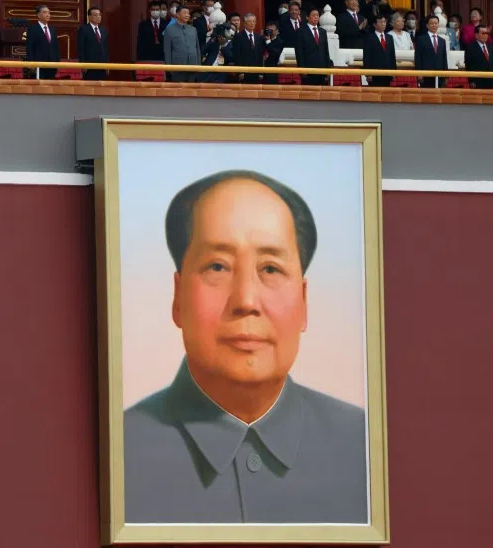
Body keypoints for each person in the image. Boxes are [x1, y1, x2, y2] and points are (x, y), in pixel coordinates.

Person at [124, 170, 368, 524]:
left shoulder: (364, 448)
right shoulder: (120, 451)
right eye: (218, 266)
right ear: (177, 298)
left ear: (303, 301)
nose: (246, 300)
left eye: (270, 268)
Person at [294, 7, 333, 86]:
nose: (316, 17)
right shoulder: (301, 31)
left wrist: (328, 69)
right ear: (307, 17)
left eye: (317, 15)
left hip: (322, 70)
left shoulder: (322, 31)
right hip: (308, 70)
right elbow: (299, 52)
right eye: (313, 15)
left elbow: (326, 51)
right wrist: (302, 69)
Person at [164, 4, 201, 82]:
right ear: (177, 14)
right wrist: (169, 67)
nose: (187, 15)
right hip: (177, 66)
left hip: (193, 65)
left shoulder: (193, 29)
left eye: (188, 13)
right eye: (184, 13)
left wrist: (199, 65)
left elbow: (197, 48)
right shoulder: (169, 29)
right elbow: (167, 50)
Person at [26, 4, 60, 79]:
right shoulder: (32, 29)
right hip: (39, 65)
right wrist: (31, 63)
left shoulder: (52, 29)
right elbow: (30, 47)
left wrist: (57, 62)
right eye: (45, 12)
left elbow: (55, 47)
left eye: (49, 13)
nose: (48, 15)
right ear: (38, 15)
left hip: (52, 65)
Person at [362, 14, 396, 87]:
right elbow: (367, 57)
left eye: (384, 22)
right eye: (380, 22)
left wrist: (394, 71)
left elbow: (392, 55)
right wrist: (368, 74)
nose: (383, 24)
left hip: (387, 73)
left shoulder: (389, 37)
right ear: (374, 24)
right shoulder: (369, 38)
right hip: (374, 74)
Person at [414, 15, 448, 88]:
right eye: (432, 23)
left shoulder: (442, 41)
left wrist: (446, 75)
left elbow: (444, 58)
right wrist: (419, 73)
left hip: (439, 75)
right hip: (426, 75)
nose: (434, 25)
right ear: (427, 25)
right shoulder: (421, 39)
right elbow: (418, 57)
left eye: (436, 23)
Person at [77, 6, 109, 81]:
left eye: (99, 15)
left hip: (102, 64)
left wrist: (107, 64)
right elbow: (81, 48)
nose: (98, 17)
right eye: (95, 15)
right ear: (89, 17)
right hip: (89, 64)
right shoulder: (84, 29)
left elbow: (105, 48)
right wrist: (83, 64)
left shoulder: (103, 30)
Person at [232, 14, 264, 84]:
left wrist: (261, 72)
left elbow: (260, 55)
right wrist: (240, 71)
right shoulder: (238, 36)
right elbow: (237, 55)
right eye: (250, 21)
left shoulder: (258, 37)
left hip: (256, 71)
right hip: (244, 71)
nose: (253, 23)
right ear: (245, 23)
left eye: (254, 21)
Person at [464, 25, 493, 89]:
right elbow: (468, 65)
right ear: (476, 35)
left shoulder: (490, 47)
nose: (485, 35)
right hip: (477, 83)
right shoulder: (470, 48)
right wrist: (471, 81)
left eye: (487, 33)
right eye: (483, 33)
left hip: (491, 82)